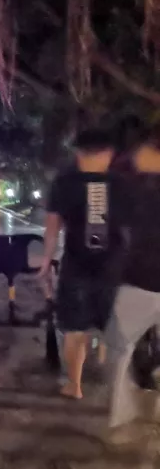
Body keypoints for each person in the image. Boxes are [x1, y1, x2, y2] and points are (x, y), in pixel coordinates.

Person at [39, 128, 119, 400]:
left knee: (74, 328)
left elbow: (52, 227)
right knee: (114, 327)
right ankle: (114, 382)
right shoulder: (122, 181)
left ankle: (74, 384)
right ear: (109, 152)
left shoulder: (64, 180)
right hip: (115, 267)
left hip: (76, 265)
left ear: (78, 151)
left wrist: (46, 262)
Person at [105, 130, 160, 438]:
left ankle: (120, 416)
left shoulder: (126, 188)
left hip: (135, 282)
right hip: (136, 280)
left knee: (119, 350)